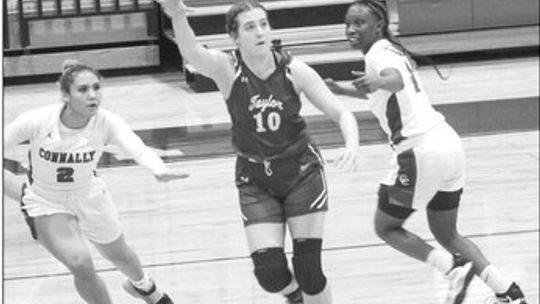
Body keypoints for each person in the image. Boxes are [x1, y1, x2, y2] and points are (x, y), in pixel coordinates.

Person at [324, 1, 528, 304]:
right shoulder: (391, 50)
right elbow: (382, 87)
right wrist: (343, 91)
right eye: (348, 22)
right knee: (447, 234)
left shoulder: (379, 54)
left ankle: (452, 268)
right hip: (448, 144)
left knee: (386, 227)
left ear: (378, 25)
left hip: (420, 151)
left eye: (359, 23)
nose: (351, 29)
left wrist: (380, 79)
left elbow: (392, 79)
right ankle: (508, 291)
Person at [157, 0, 360, 303]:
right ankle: (295, 297)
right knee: (269, 273)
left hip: (301, 173)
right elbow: (192, 53)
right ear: (235, 37)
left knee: (308, 270)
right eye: (250, 27)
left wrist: (352, 143)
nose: (260, 32)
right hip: (255, 178)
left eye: (264, 24)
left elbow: (342, 113)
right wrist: (177, 16)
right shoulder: (227, 69)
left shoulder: (293, 69)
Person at [3, 59, 189, 304]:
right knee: (81, 264)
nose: (92, 95)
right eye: (83, 90)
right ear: (65, 95)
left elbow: (137, 148)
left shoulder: (107, 121)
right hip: (47, 203)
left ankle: (145, 288)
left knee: (121, 256)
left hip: (89, 195)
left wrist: (158, 168)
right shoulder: (37, 120)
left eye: (96, 88)